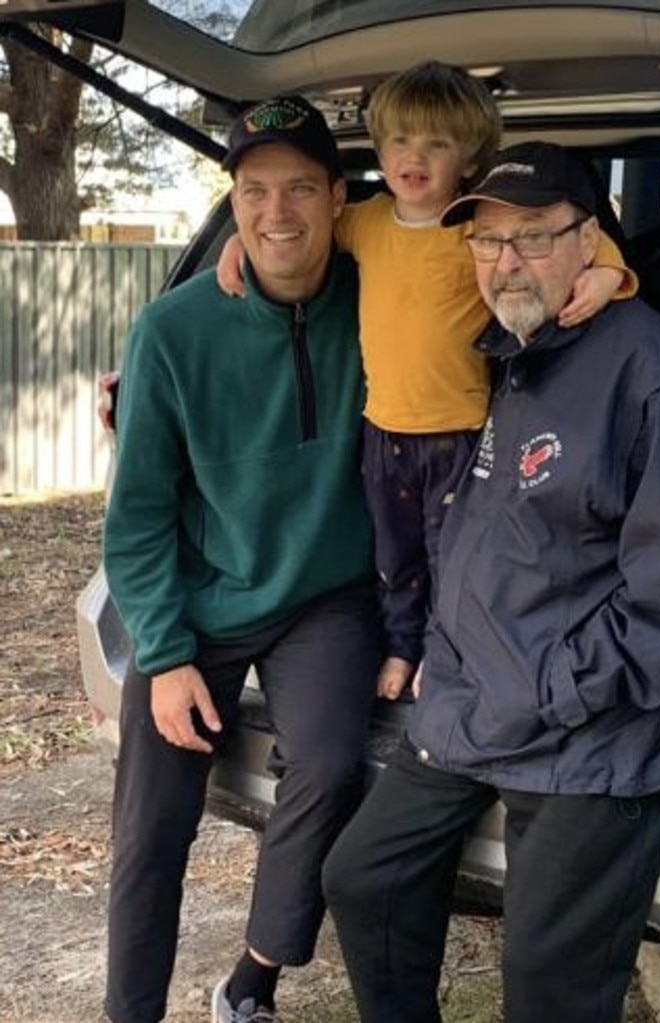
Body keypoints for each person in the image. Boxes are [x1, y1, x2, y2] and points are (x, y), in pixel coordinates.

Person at [321, 141, 660, 1023]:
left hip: (593, 732)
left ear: (589, 241)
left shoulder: (658, 374)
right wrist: (453, 662)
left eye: (531, 237)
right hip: (478, 701)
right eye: (486, 242)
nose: (504, 262)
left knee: (548, 983)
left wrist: (557, 689)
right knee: (361, 876)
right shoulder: (519, 350)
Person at [217, 62, 639, 702]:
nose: (414, 158)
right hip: (382, 431)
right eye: (400, 142)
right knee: (394, 557)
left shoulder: (475, 228)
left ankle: (447, 652)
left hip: (464, 433)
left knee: (455, 557)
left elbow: (576, 239)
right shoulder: (364, 221)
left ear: (468, 161)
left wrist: (607, 270)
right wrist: (235, 245)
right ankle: (401, 646)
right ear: (380, 151)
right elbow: (290, 235)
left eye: (437, 145)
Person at [102, 96, 381, 1023]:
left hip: (324, 596)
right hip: (201, 598)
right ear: (233, 201)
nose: (277, 213)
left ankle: (250, 983)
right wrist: (167, 654)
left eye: (301, 186)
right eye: (255, 191)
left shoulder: (385, 293)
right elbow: (138, 517)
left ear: (340, 196)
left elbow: (499, 248)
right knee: (149, 834)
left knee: (334, 766)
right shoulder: (172, 334)